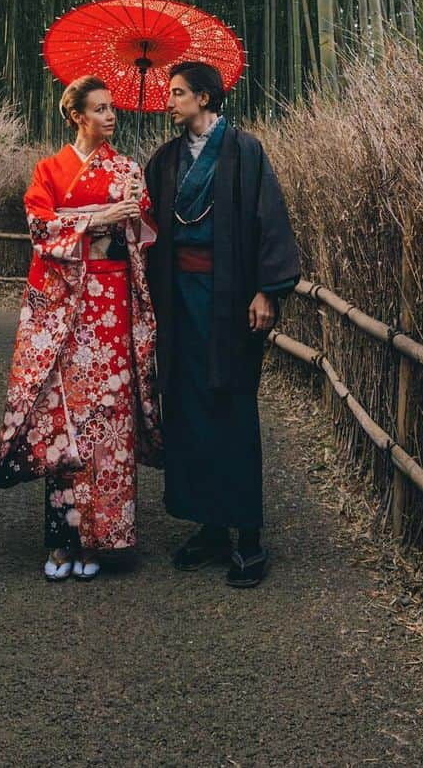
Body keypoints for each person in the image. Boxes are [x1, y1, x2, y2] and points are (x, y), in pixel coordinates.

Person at [0, 75, 162, 581]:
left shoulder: (128, 169)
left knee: (108, 417)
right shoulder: (49, 169)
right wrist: (101, 214)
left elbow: (143, 234)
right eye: (101, 108)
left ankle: (102, 542)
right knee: (66, 418)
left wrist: (131, 213)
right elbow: (40, 227)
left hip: (111, 300)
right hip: (67, 305)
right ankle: (63, 540)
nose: (112, 116)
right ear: (77, 116)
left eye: (114, 108)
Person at [145, 61, 300, 588]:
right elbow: (146, 233)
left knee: (230, 404)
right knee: (187, 408)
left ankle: (249, 537)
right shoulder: (164, 160)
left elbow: (269, 221)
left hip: (231, 298)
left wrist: (266, 290)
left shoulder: (244, 151)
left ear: (205, 98)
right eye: (168, 92)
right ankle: (210, 527)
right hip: (178, 302)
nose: (169, 101)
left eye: (179, 92)